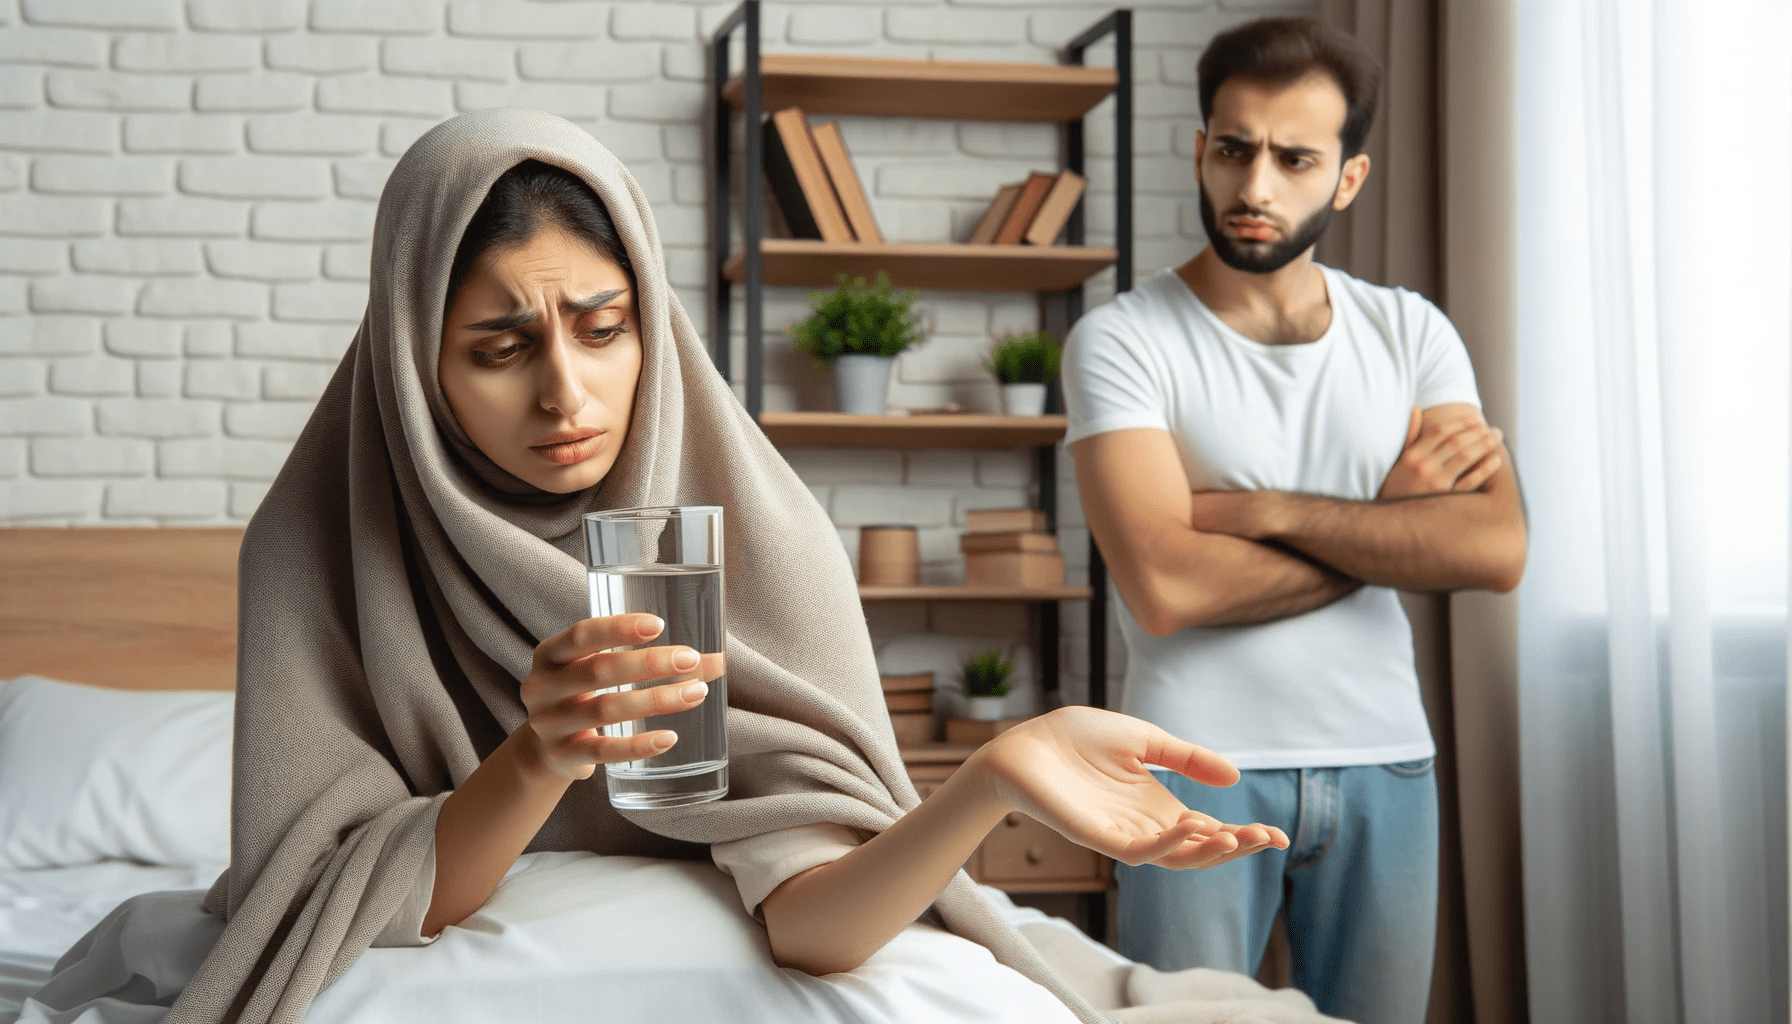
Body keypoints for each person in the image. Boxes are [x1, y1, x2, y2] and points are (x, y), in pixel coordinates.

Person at [25, 110, 1295, 1024]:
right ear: (416, 361)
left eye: (602, 327)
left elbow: (809, 917)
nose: (566, 392)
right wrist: (542, 753)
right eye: (498, 344)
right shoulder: (318, 549)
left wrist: (989, 783)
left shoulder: (753, 530)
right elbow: (355, 892)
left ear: (653, 325)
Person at [1061, 17, 1527, 1024]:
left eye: (1293, 158)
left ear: (1347, 179)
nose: (1255, 186)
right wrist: (1389, 527)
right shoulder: (1122, 339)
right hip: (1197, 767)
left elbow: (1492, 548)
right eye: (1233, 149)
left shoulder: (1410, 330)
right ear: (1201, 149)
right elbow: (1168, 586)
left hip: (1386, 762)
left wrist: (1264, 512)